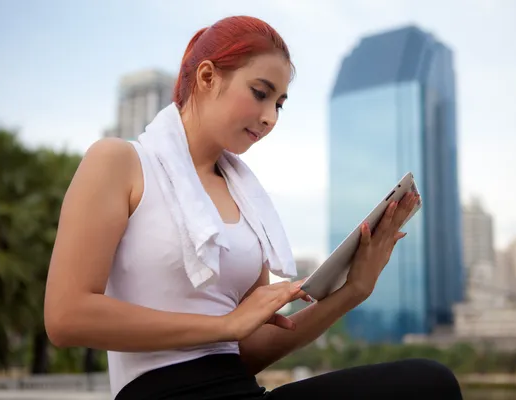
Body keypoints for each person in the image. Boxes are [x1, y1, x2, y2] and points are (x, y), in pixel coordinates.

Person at [44, 15, 463, 400]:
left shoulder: (246, 201)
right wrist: (224, 326)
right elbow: (66, 316)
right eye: (260, 94)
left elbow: (248, 349)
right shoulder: (120, 162)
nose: (269, 118)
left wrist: (353, 290)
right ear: (207, 77)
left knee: (428, 383)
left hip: (239, 388)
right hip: (159, 394)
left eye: (279, 103)